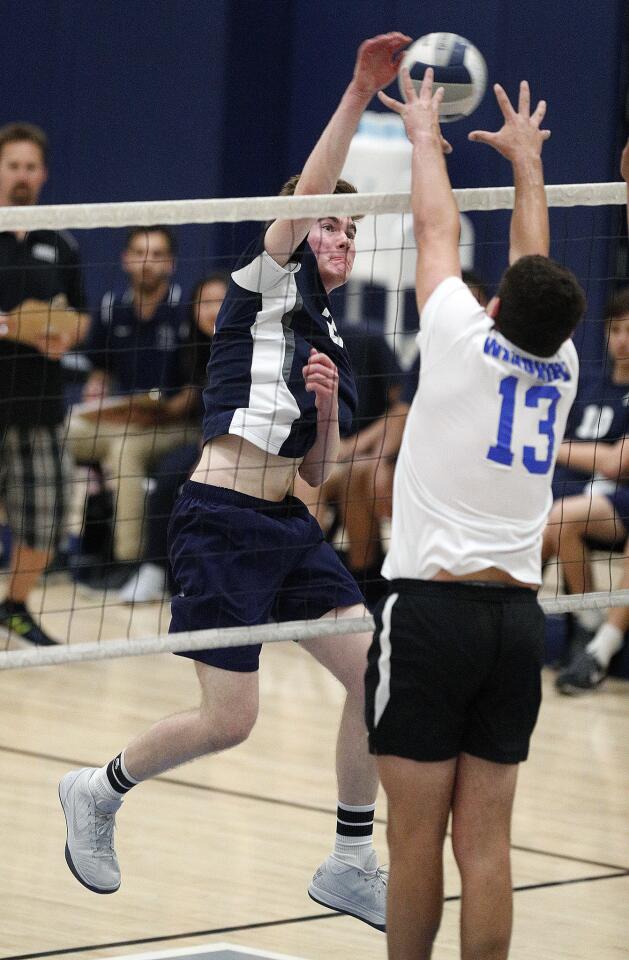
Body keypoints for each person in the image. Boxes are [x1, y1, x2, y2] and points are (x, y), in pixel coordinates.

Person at [59, 33, 411, 931]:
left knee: (379, 674)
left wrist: (330, 418)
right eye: (332, 222)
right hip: (218, 520)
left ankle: (347, 858)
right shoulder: (263, 282)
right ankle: (97, 791)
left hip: (289, 529)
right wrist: (357, 91)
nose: (340, 237)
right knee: (231, 721)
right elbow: (307, 184)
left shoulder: (330, 343)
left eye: (351, 229)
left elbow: (317, 480)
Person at [365, 68, 585, 960]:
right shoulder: (563, 371)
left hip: (429, 613)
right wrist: (527, 169)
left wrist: (423, 133)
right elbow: (530, 272)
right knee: (486, 843)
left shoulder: (458, 337)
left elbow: (433, 228)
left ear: (493, 310)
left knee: (413, 838)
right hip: (511, 623)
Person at [65, 226, 198, 585]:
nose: (147, 263)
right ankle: (55, 544)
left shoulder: (185, 309)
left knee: (124, 451)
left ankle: (129, 562)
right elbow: (100, 371)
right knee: (55, 435)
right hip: (122, 418)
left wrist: (162, 410)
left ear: (170, 263)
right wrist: (98, 391)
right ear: (126, 259)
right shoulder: (111, 307)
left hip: (175, 425)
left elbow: (196, 387)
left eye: (156, 255)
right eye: (139, 253)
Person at [0, 122, 89, 646]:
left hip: (39, 405)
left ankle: (13, 605)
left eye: (31, 167)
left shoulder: (62, 239)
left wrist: (65, 336)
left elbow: (78, 314)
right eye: (13, 165)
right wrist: (12, 327)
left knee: (47, 522)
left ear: (44, 175)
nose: (22, 176)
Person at [550, 138, 629, 692]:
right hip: (592, 503)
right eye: (617, 328)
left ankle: (600, 645)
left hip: (620, 500)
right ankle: (586, 632)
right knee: (553, 519)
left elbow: (619, 461)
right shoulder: (588, 384)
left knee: (565, 513)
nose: (622, 339)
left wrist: (553, 450)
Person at [116, 272, 229, 603]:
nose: (212, 310)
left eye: (221, 302)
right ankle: (154, 569)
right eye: (204, 302)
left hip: (240, 440)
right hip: (197, 435)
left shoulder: (247, 347)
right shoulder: (190, 347)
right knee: (168, 477)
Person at [292, 316, 404, 607]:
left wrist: (357, 445)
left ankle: (364, 582)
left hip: (365, 454)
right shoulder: (297, 343)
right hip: (316, 451)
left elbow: (402, 407)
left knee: (356, 476)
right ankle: (303, 580)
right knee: (303, 481)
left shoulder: (368, 339)